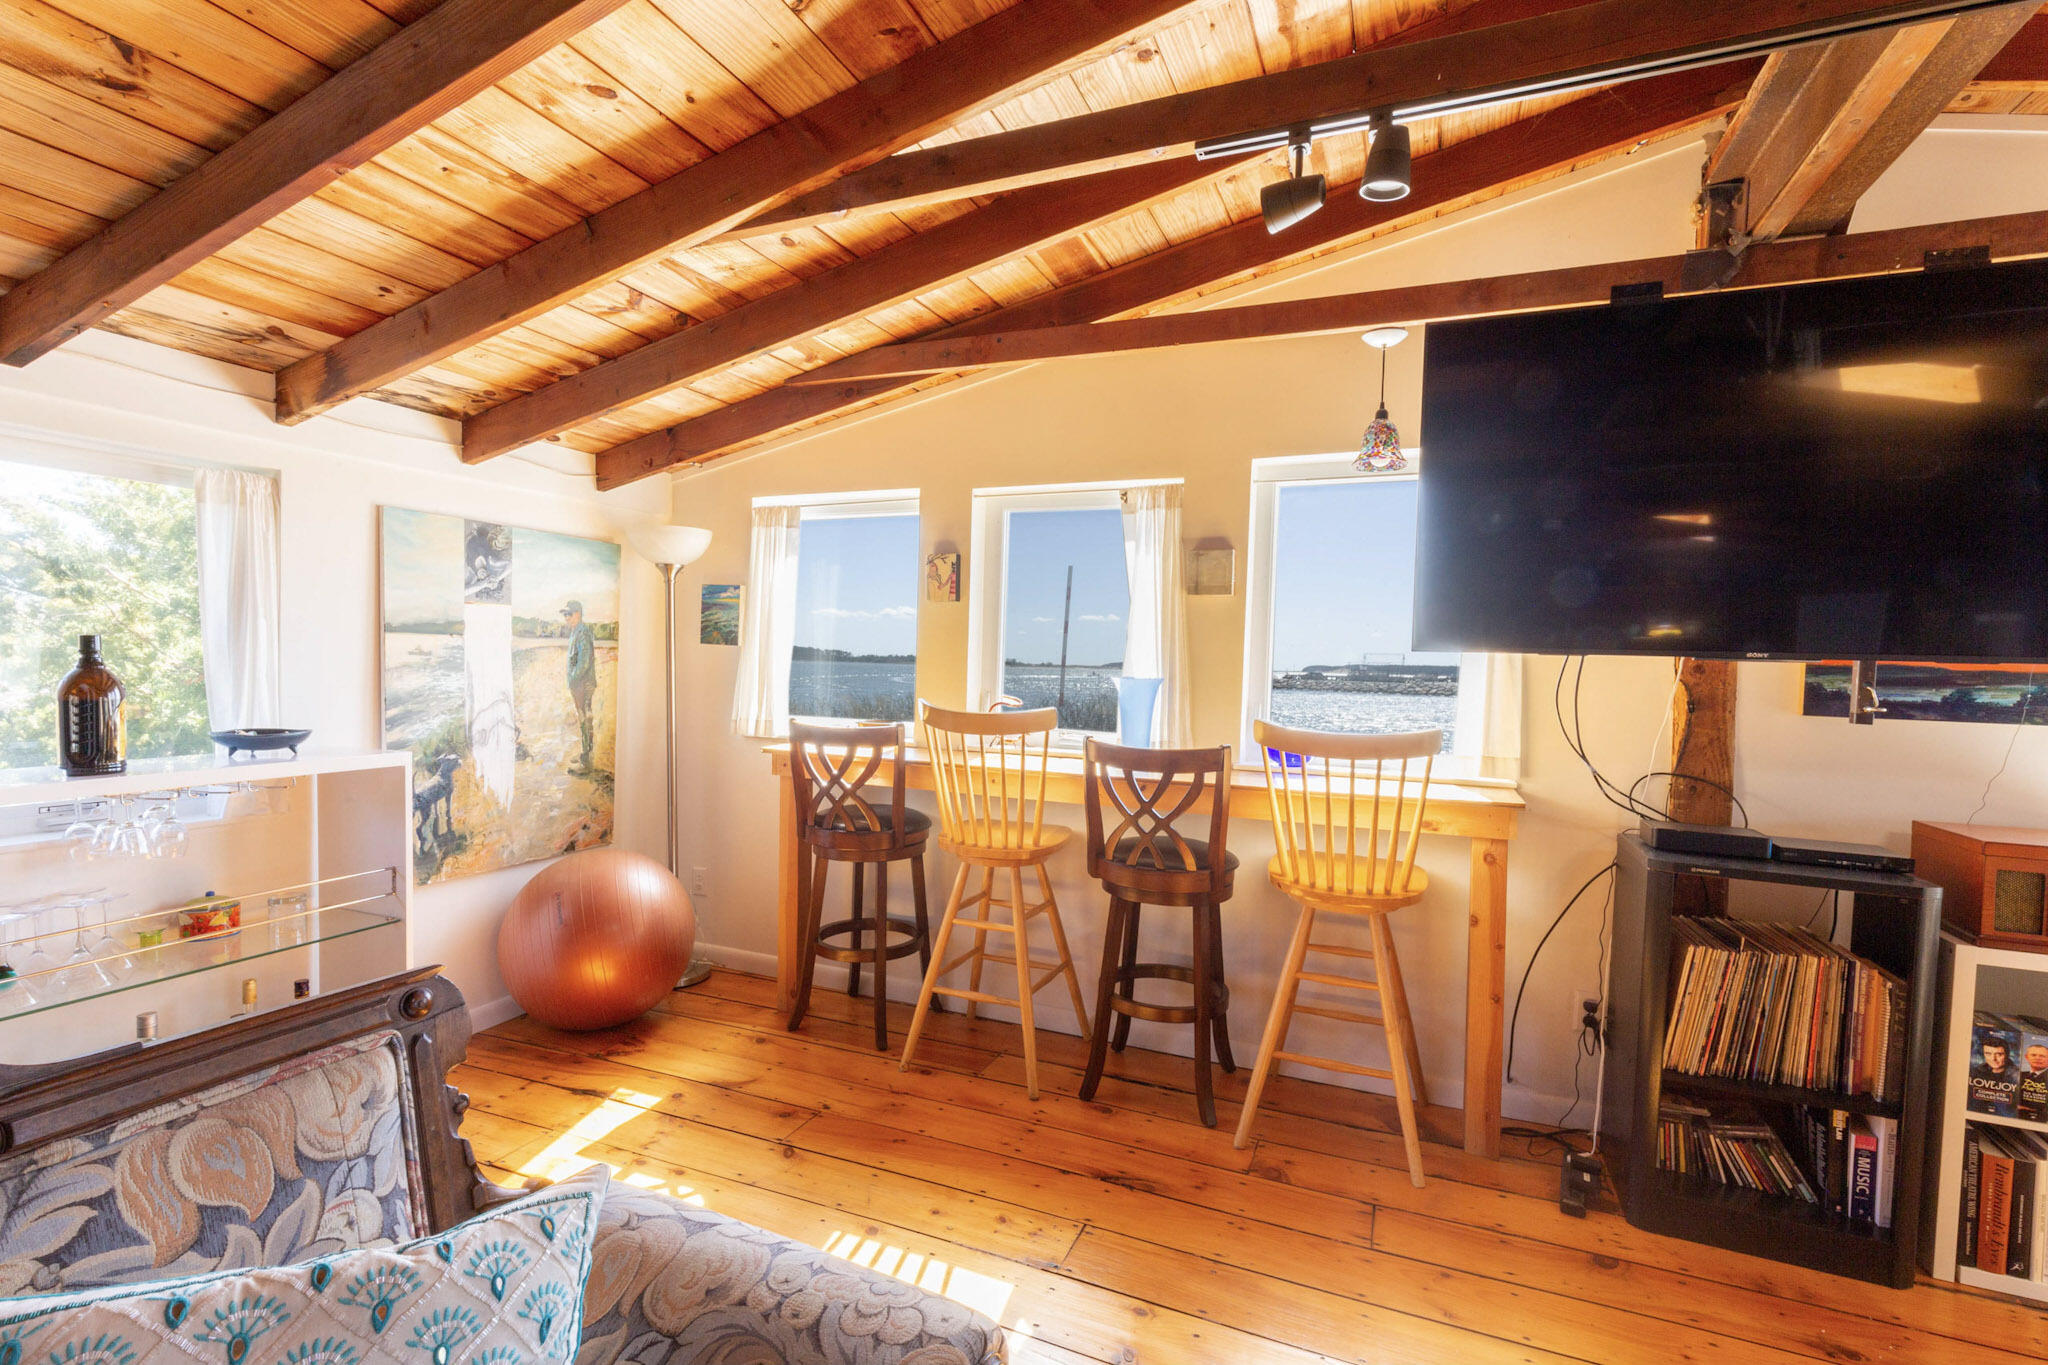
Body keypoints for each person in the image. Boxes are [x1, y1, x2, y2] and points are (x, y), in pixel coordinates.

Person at [562, 600, 597, 773]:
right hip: (579, 682)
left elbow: (584, 661)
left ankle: (587, 762)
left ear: (578, 614)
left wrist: (573, 680)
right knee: (583, 718)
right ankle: (585, 754)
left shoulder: (582, 632)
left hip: (583, 683)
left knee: (585, 718)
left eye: (569, 614)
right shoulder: (576, 631)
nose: (566, 618)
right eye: (565, 615)